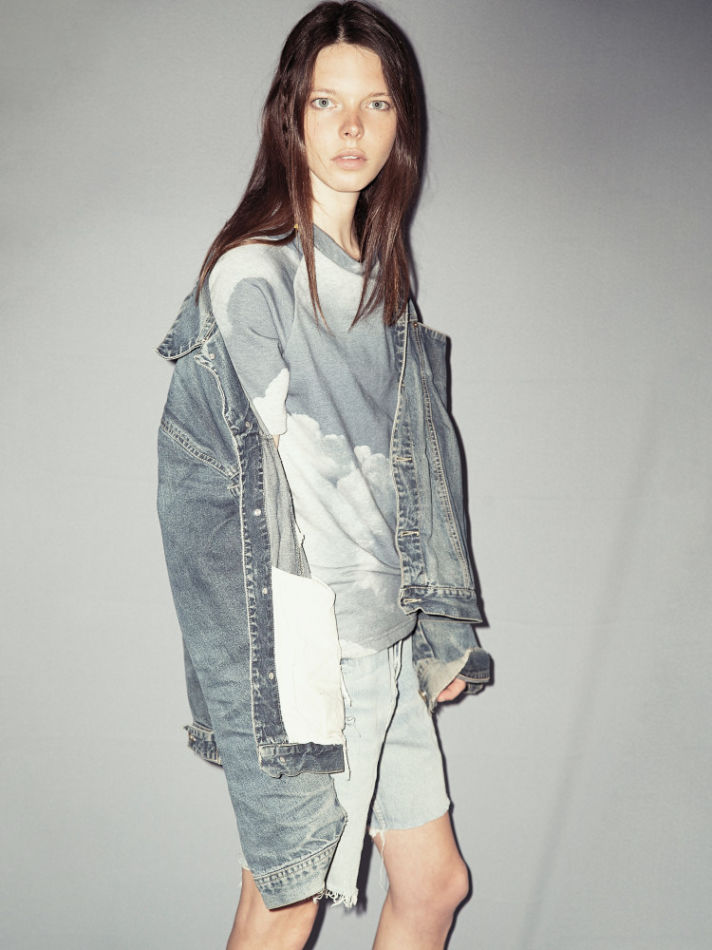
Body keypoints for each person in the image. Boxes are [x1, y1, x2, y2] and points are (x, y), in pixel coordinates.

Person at [156, 2, 491, 947]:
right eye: (325, 102)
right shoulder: (252, 278)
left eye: (376, 103)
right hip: (318, 647)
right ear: (290, 117)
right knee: (287, 898)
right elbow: (233, 502)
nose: (351, 128)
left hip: (384, 633)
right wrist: (287, 675)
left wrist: (433, 628)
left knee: (433, 885)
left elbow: (407, 479)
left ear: (401, 122)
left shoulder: (384, 283)